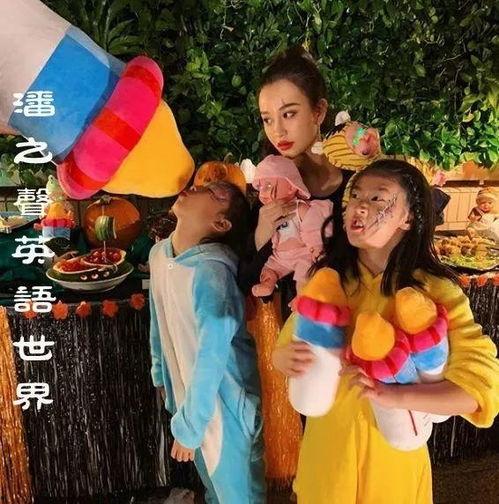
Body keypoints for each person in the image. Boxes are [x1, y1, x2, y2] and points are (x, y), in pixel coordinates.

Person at [273, 159, 499, 503]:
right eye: (355, 196)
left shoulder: (437, 293)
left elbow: (479, 389)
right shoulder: (329, 282)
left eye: (377, 198)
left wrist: (394, 397)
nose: (359, 206)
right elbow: (286, 346)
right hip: (328, 459)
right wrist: (282, 357)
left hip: (392, 464)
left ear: (408, 218)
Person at [149, 180, 266, 504]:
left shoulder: (212, 272)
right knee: (214, 490)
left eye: (214, 193)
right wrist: (161, 375)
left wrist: (191, 425)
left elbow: (213, 353)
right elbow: (159, 321)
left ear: (221, 223)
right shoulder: (159, 255)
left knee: (238, 494)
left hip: (226, 407)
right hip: (191, 401)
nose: (197, 188)